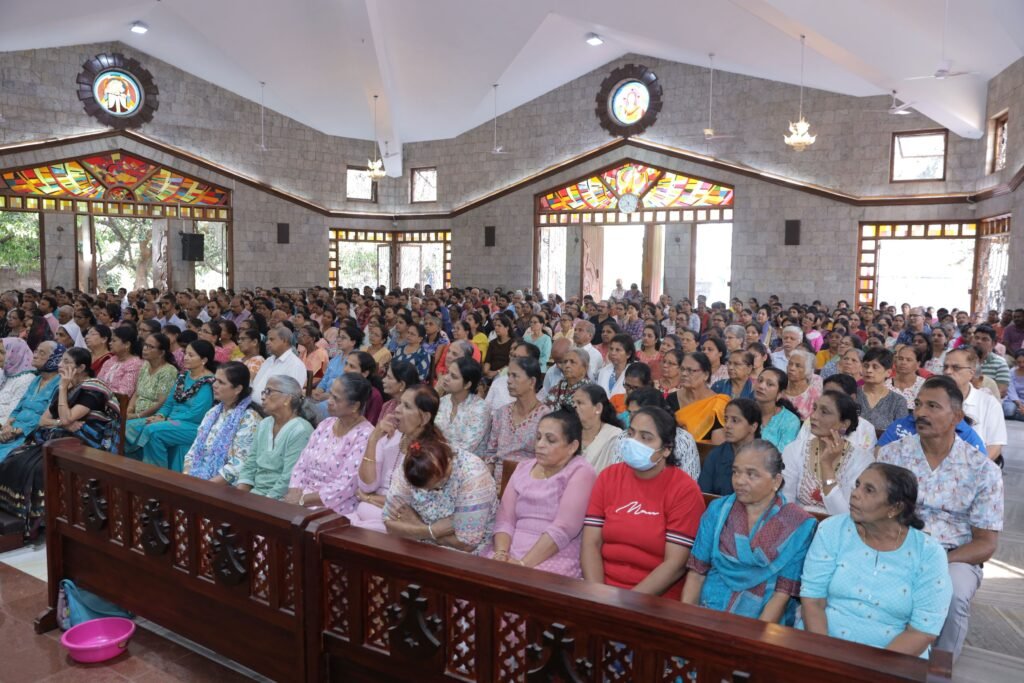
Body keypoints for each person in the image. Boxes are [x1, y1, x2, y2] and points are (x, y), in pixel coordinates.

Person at [877, 377, 1003, 659]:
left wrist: (937, 562)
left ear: (956, 417)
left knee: (952, 592)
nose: (921, 412)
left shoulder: (982, 469)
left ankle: (938, 668)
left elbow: (986, 543)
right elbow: (874, 512)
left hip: (954, 555)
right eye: (918, 404)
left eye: (933, 406)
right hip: (895, 545)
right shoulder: (892, 455)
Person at [799, 463, 952, 657]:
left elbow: (922, 631)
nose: (855, 494)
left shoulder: (928, 554)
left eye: (869, 490)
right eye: (857, 485)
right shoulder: (832, 530)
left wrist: (874, 668)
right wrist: (826, 657)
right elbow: (813, 600)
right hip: (823, 643)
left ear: (895, 508)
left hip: (892, 659)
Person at [683, 440, 815, 624]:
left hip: (761, 624)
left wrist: (752, 637)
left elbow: (781, 595)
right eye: (735, 472)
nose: (739, 481)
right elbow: (696, 574)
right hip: (706, 614)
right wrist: (686, 624)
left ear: (776, 481)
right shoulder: (718, 511)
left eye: (751, 474)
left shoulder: (795, 524)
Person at [581, 406, 705, 598]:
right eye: (631, 434)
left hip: (653, 598)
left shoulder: (684, 490)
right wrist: (598, 595)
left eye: (646, 437)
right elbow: (591, 543)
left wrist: (627, 603)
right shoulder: (608, 477)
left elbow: (675, 564)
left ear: (666, 449)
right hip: (602, 590)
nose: (634, 442)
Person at [0, 347, 119, 533]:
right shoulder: (67, 387)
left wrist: (63, 389)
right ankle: (18, 513)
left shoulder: (92, 388)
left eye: (66, 362)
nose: (60, 365)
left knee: (39, 469)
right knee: (15, 458)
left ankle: (46, 518)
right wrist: (61, 422)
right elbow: (44, 421)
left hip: (87, 442)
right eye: (61, 361)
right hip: (60, 437)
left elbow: (67, 418)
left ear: (81, 368)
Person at [487, 409, 597, 576]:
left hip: (554, 555)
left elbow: (564, 528)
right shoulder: (523, 468)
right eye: (538, 437)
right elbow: (505, 520)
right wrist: (501, 554)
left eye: (550, 440)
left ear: (572, 447)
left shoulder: (581, 471)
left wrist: (523, 564)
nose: (540, 444)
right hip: (511, 550)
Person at [383, 430, 497, 554]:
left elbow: (466, 544)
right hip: (414, 546)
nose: (431, 492)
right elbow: (390, 525)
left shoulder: (473, 475)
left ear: (449, 463)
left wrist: (415, 526)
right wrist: (432, 531)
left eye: (437, 486)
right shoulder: (412, 464)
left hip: (462, 556)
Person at [283, 373, 374, 514]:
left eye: (336, 398)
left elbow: (346, 485)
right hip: (302, 497)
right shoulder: (326, 424)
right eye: (330, 394)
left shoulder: (365, 435)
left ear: (355, 406)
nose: (329, 401)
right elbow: (301, 464)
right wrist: (294, 492)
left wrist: (302, 500)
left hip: (335, 506)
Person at [352, 385, 439, 532]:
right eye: (399, 403)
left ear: (424, 418)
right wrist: (373, 440)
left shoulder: (431, 453)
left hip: (398, 525)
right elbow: (367, 486)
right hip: (368, 514)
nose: (397, 409)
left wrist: (369, 498)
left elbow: (408, 505)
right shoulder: (390, 437)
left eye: (406, 406)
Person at [124, 340, 216, 471]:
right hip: (170, 420)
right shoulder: (183, 376)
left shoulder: (207, 382)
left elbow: (196, 414)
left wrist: (166, 420)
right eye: (186, 353)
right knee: (128, 426)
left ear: (204, 360)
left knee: (153, 431)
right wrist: (160, 415)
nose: (186, 357)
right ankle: (133, 468)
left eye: (191, 355)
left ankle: (157, 475)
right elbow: (169, 403)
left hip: (192, 425)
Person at [782, 391, 873, 516]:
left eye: (824, 412)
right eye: (814, 409)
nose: (814, 416)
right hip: (797, 522)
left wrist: (826, 466)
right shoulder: (794, 450)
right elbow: (785, 503)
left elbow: (844, 515)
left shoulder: (862, 461)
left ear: (844, 424)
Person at [236, 375, 317, 499]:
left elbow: (288, 478)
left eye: (269, 392)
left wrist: (261, 502)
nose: (263, 397)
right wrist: (240, 496)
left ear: (287, 399)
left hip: (280, 500)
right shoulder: (264, 424)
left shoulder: (301, 430)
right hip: (255, 495)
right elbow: (250, 465)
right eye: (264, 392)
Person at [182, 361, 261, 485]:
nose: (214, 385)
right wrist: (187, 476)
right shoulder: (213, 412)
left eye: (221, 382)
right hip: (198, 479)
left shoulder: (249, 418)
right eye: (215, 380)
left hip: (225, 487)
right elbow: (193, 451)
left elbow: (239, 465)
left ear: (238, 389)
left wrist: (205, 486)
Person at [484, 356, 551, 485]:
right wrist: (489, 483)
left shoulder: (545, 417)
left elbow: (545, 460)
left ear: (532, 382)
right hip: (497, 481)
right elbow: (491, 453)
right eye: (509, 375)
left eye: (515, 376)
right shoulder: (502, 413)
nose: (509, 381)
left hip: (529, 482)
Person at [0, 342, 63, 462]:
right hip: (11, 432)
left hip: (29, 436)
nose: (35, 355)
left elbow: (46, 417)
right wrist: (7, 425)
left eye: (42, 353)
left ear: (55, 358)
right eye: (36, 351)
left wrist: (17, 431)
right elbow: (18, 408)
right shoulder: (36, 379)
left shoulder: (59, 383)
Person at [942, 347, 1006, 463]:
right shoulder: (933, 399)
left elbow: (995, 446)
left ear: (971, 373)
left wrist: (972, 468)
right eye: (945, 367)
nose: (948, 372)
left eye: (956, 368)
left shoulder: (988, 403)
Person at [698, 399, 761, 496]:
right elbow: (704, 495)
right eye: (726, 420)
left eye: (735, 420)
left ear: (753, 427)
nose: (727, 425)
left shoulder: (765, 456)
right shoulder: (715, 455)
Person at [667, 352, 728, 444]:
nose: (684, 374)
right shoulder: (671, 399)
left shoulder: (717, 404)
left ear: (706, 375)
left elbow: (718, 445)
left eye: (690, 370)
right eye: (682, 369)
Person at [436, 356, 491, 453]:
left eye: (454, 376)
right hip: (439, 456)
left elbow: (466, 447)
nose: (446, 378)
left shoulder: (480, 408)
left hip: (466, 460)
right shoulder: (442, 402)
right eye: (447, 372)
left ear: (467, 384)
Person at [854, 347, 908, 435]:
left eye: (875, 367)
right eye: (866, 366)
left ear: (888, 372)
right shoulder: (852, 395)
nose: (869, 370)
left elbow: (901, 434)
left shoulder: (898, 401)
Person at [125, 333, 178, 420]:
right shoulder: (145, 365)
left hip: (152, 417)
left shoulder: (168, 371)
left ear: (161, 353)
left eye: (150, 347)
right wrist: (129, 410)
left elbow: (161, 403)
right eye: (145, 345)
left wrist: (137, 416)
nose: (145, 349)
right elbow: (137, 393)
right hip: (135, 414)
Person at [250, 326, 308, 406]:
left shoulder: (295, 364)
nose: (267, 342)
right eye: (267, 339)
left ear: (284, 341)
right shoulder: (269, 360)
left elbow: (290, 397)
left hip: (270, 410)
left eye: (271, 339)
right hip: (252, 405)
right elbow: (256, 384)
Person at [573, 384, 623, 473]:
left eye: (579, 403)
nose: (574, 406)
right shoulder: (569, 433)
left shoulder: (614, 436)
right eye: (573, 403)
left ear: (598, 408)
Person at [753, 368, 802, 453]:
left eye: (769, 384)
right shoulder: (743, 411)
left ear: (780, 393)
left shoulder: (790, 421)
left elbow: (783, 456)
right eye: (760, 381)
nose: (761, 386)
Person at [97, 326, 144, 396]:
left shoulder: (135, 364)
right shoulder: (111, 360)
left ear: (127, 344)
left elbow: (124, 393)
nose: (110, 343)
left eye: (114, 341)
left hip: (116, 400)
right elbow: (98, 382)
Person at [596, 333, 635, 416]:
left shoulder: (635, 371)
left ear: (628, 354)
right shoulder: (603, 371)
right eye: (611, 349)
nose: (613, 353)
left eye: (618, 350)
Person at [341, 351, 384, 424]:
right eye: (346, 364)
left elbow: (370, 424)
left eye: (352, 366)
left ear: (365, 373)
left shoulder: (374, 395)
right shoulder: (344, 386)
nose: (345, 369)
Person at [0, 338, 37, 420]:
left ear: (16, 354)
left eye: (2, 352)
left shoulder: (27, 379)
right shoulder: (5, 371)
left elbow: (13, 413)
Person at [781, 349, 821, 421]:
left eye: (798, 366)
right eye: (790, 364)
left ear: (807, 370)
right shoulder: (780, 388)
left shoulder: (814, 394)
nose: (792, 368)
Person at [888, 344, 927, 410]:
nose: (903, 362)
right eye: (900, 359)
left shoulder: (924, 386)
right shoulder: (886, 385)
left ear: (918, 364)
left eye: (909, 360)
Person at [483, 314, 514, 380]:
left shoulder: (513, 343)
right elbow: (487, 360)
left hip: (505, 374)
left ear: (507, 328)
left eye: (499, 326)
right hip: (491, 373)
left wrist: (497, 372)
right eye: (495, 326)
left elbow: (512, 363)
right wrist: (486, 371)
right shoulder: (492, 343)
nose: (496, 328)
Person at [1004, 349, 1024, 420]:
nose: (1022, 364)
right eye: (1019, 362)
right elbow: (1011, 390)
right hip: (1012, 400)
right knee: (1009, 410)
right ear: (1015, 361)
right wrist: (1019, 404)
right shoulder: (1011, 372)